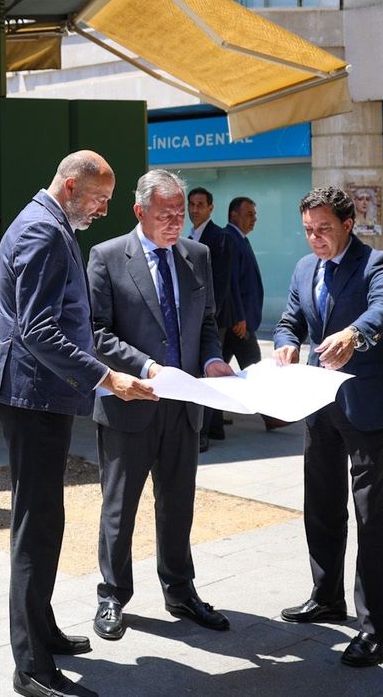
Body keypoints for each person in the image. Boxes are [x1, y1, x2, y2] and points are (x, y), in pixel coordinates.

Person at [0, 151, 157, 697]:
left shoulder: (50, 222)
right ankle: (30, 665)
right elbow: (36, 329)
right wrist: (108, 377)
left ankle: (44, 631)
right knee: (35, 527)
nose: (104, 210)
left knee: (47, 520)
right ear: (72, 184)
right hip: (31, 397)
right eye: (100, 199)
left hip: (41, 395)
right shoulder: (42, 230)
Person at [87, 169, 236, 644]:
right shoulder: (108, 257)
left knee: (178, 505)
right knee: (120, 507)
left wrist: (212, 358)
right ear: (140, 212)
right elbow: (96, 332)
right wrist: (147, 368)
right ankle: (112, 594)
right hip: (131, 403)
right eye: (165, 214)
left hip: (184, 405)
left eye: (180, 213)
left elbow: (207, 321)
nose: (176, 222)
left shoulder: (197, 255)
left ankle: (181, 591)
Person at [274, 186, 383, 669]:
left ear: (348, 223)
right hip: (319, 403)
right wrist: (286, 343)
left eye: (325, 230)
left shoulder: (379, 262)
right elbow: (290, 319)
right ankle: (326, 595)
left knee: (369, 516)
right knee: (322, 504)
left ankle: (377, 629)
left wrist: (355, 334)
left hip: (367, 405)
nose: (316, 239)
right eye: (309, 230)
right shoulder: (302, 267)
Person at [187, 187, 241, 449]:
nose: (195, 209)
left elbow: (220, 284)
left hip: (212, 320)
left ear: (210, 208)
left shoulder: (219, 237)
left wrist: (207, 318)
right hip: (194, 317)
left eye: (200, 204)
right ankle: (216, 427)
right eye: (192, 204)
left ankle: (203, 433)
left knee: (208, 372)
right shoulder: (186, 236)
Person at [228, 196, 281, 430]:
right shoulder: (230, 239)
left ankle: (211, 418)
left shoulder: (241, 239)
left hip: (239, 321)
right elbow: (230, 282)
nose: (254, 219)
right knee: (255, 367)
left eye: (255, 215)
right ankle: (270, 415)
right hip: (238, 323)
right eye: (249, 214)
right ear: (234, 216)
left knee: (219, 368)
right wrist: (239, 316)